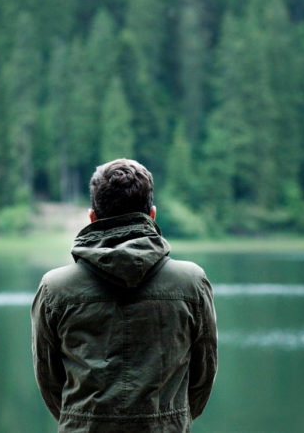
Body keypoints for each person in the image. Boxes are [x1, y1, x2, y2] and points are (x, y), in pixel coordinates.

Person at [31, 158, 218, 432]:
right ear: (152, 214)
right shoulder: (191, 283)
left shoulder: (54, 288)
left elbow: (49, 381)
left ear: (92, 217)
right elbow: (203, 376)